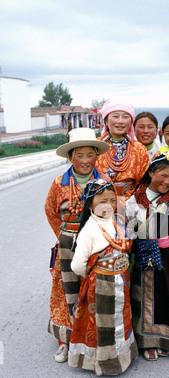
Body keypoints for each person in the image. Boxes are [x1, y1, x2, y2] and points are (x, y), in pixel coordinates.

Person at [45, 128, 109, 363]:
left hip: (96, 245)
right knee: (65, 291)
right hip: (67, 244)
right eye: (79, 155)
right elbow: (51, 211)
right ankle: (65, 340)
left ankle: (93, 338)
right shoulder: (58, 183)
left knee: (91, 290)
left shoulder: (104, 182)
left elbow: (111, 213)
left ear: (96, 156)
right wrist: (64, 236)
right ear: (70, 157)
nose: (84, 160)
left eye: (89, 155)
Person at [125, 152, 169, 360]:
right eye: (163, 175)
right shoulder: (135, 200)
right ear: (151, 171)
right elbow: (129, 229)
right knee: (144, 297)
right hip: (143, 255)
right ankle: (148, 342)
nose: (168, 181)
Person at [69, 177, 138, 376]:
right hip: (101, 284)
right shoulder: (88, 230)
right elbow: (77, 265)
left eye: (111, 200)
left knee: (123, 318)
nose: (108, 205)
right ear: (89, 203)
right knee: (104, 324)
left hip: (121, 281)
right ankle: (106, 363)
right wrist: (96, 276)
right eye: (102, 201)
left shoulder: (118, 221)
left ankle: (124, 356)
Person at [95, 99, 150, 199]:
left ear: (131, 121)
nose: (120, 121)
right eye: (115, 116)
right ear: (106, 120)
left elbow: (144, 183)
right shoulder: (95, 146)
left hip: (130, 203)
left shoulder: (139, 149)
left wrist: (127, 201)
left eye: (125, 117)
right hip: (99, 202)